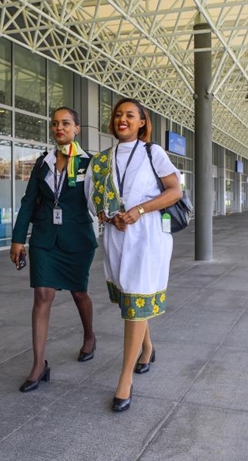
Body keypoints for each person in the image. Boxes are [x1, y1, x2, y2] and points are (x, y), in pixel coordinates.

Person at [85, 98, 182, 412]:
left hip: (147, 236)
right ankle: (148, 348)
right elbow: (94, 199)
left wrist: (139, 210)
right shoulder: (102, 159)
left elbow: (174, 191)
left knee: (136, 297)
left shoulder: (153, 152)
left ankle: (124, 379)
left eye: (129, 115)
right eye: (118, 115)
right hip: (117, 235)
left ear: (142, 122)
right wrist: (107, 215)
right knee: (131, 300)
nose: (122, 119)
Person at [10, 107, 98, 393]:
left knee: (79, 292)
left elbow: (97, 202)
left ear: (77, 129)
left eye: (65, 123)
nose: (59, 127)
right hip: (45, 238)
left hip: (77, 239)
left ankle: (89, 335)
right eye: (55, 124)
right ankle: (39, 365)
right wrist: (18, 238)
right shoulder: (42, 163)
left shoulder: (88, 163)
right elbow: (28, 201)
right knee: (42, 294)